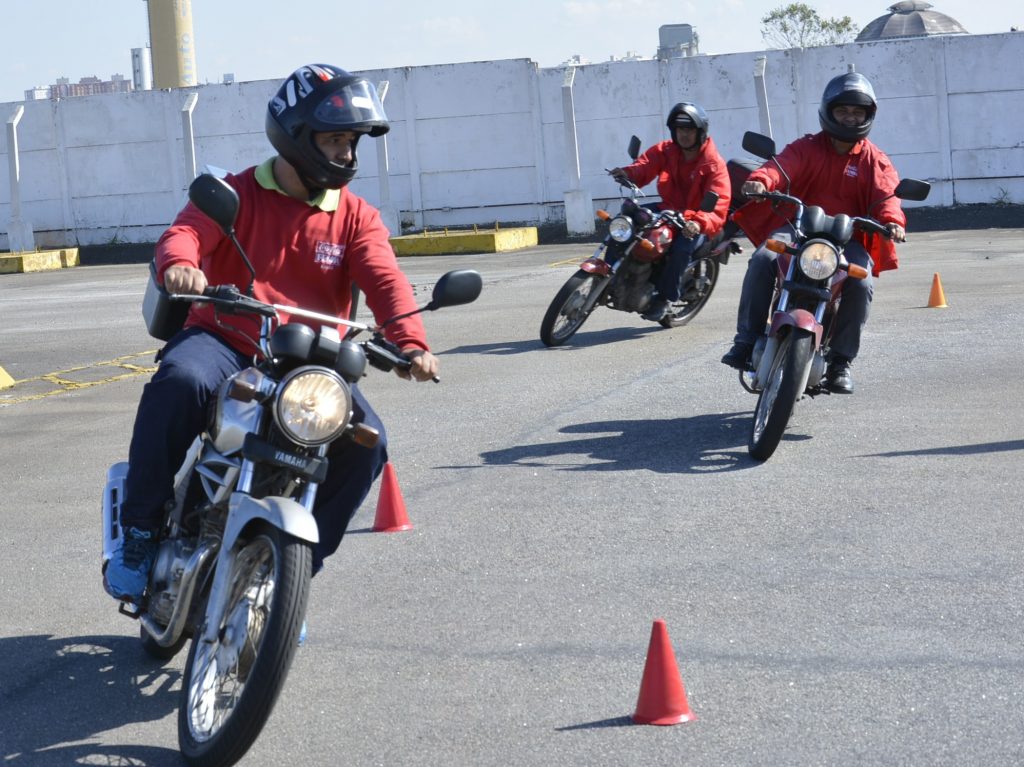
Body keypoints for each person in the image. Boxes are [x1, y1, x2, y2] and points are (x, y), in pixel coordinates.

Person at [103, 63, 439, 603]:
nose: (347, 156)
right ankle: (139, 532)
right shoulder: (235, 194)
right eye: (335, 141)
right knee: (179, 382)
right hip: (226, 339)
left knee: (366, 444)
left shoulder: (356, 216)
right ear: (298, 137)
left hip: (308, 360)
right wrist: (180, 265)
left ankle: (290, 580)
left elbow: (385, 280)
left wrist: (412, 344)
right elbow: (185, 231)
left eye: (351, 143)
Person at [721, 72, 907, 394]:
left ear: (868, 116)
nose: (850, 118)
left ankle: (840, 362)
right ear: (828, 112)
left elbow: (887, 196)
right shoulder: (808, 147)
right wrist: (761, 182)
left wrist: (893, 221)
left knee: (861, 282)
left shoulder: (874, 160)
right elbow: (780, 167)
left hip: (846, 241)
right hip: (798, 230)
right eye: (843, 111)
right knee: (763, 258)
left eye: (857, 112)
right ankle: (746, 339)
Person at [609, 102, 731, 321]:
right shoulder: (667, 150)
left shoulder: (714, 165)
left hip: (695, 218)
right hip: (669, 208)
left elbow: (719, 203)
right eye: (679, 129)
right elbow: (645, 165)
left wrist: (698, 223)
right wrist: (628, 173)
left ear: (700, 133)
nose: (683, 135)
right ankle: (609, 270)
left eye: (689, 130)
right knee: (626, 219)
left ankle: (664, 298)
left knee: (682, 248)